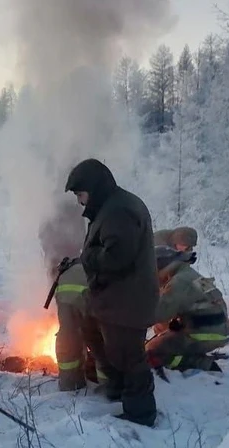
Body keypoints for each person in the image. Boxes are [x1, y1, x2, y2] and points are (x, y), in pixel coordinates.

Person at [65, 158, 159, 427]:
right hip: (112, 297)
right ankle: (118, 388)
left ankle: (140, 413)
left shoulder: (119, 211)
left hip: (128, 300)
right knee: (94, 332)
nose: (80, 202)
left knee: (129, 355)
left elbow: (117, 257)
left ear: (93, 188)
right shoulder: (111, 206)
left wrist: (88, 256)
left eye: (80, 194)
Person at [146, 246, 229, 373]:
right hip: (217, 330)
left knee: (151, 351)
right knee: (161, 332)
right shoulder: (189, 274)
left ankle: (200, 363)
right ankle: (191, 353)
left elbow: (158, 313)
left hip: (204, 334)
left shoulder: (180, 281)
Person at [40, 201, 94, 391]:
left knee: (70, 319)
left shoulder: (62, 215)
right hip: (75, 268)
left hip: (68, 268)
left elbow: (46, 238)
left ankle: (72, 380)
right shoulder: (75, 215)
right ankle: (104, 383)